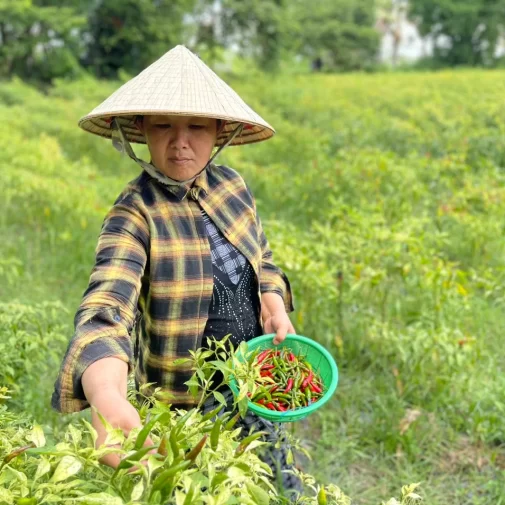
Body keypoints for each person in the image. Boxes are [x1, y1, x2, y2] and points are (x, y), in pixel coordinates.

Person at [51, 45, 301, 493]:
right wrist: (107, 395)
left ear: (220, 131)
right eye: (163, 125)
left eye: (196, 127)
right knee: (199, 488)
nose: (179, 141)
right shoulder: (134, 214)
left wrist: (273, 300)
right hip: (185, 403)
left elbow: (262, 259)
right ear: (142, 130)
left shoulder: (233, 187)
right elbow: (108, 305)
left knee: (269, 478)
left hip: (256, 382)